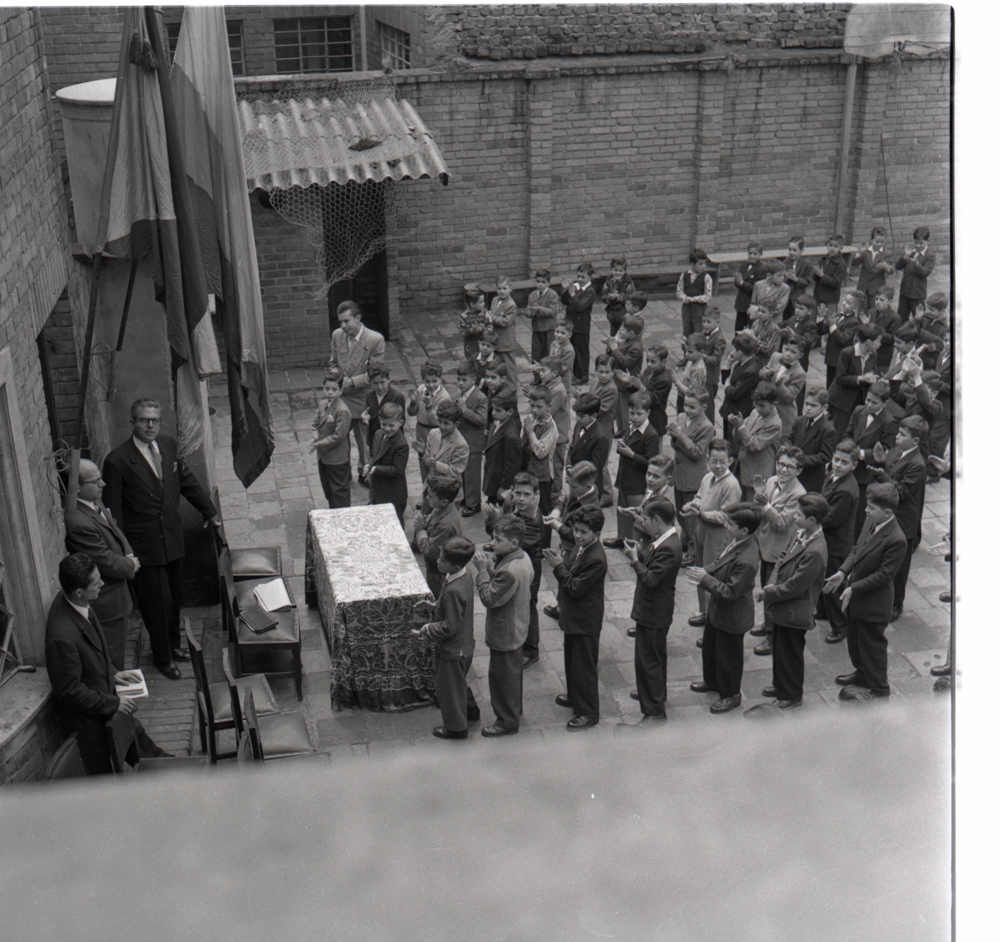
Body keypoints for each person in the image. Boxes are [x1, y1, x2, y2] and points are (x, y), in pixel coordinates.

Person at [102, 398, 217, 680]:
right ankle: (163, 658)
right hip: (144, 546)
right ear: (133, 423)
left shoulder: (167, 446)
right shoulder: (118, 461)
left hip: (173, 538)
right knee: (157, 604)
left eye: (155, 420)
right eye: (143, 420)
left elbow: (186, 480)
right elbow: (114, 513)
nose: (150, 425)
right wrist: (124, 552)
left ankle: (174, 645)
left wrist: (208, 510)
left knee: (175, 598)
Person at [45, 554, 170, 774]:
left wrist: (111, 672)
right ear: (79, 592)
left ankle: (172, 770)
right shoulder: (61, 638)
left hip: (105, 710)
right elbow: (70, 692)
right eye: (97, 583)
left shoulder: (77, 601)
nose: (102, 584)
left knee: (138, 737)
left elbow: (91, 652)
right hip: (91, 731)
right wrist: (113, 704)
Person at [823, 483, 908, 699]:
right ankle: (862, 674)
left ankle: (879, 690)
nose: (865, 511)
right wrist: (843, 572)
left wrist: (853, 588)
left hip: (873, 603)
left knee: (872, 647)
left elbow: (884, 576)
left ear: (887, 512)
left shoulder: (896, 539)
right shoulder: (872, 522)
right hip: (858, 599)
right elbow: (856, 549)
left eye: (871, 507)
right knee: (855, 642)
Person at [748, 493, 829, 712]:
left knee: (790, 652)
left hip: (795, 609)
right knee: (780, 647)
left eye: (799, 514)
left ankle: (791, 694)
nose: (794, 516)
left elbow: (796, 586)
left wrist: (770, 592)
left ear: (812, 520)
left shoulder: (816, 551)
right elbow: (782, 558)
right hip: (784, 604)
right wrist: (771, 583)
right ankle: (780, 684)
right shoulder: (801, 532)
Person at [63, 458, 140, 670]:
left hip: (118, 598)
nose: (103, 484)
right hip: (107, 605)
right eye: (96, 481)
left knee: (119, 654)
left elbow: (116, 534)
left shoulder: (95, 503)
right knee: (112, 661)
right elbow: (104, 561)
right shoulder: (78, 523)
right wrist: (130, 566)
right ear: (77, 487)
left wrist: (129, 556)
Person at [687, 503, 762, 714]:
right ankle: (712, 681)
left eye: (729, 524)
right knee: (711, 648)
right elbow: (720, 563)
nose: (725, 526)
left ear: (744, 530)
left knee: (728, 657)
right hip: (719, 610)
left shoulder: (747, 558)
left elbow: (730, 592)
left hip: (733, 615)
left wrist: (705, 579)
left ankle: (731, 694)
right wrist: (704, 570)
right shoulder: (737, 542)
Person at [543, 505, 608, 730]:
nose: (577, 535)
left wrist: (559, 567)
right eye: (576, 530)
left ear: (596, 535)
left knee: (584, 666)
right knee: (572, 661)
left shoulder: (596, 558)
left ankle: (588, 711)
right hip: (575, 617)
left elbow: (574, 587)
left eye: (582, 532)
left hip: (585, 620)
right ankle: (574, 695)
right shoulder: (583, 548)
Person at [411, 536, 480, 740]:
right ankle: (471, 711)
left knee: (449, 689)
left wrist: (428, 628)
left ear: (455, 564)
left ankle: (456, 728)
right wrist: (434, 606)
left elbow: (451, 626)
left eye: (442, 559)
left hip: (452, 650)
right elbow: (457, 608)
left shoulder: (453, 589)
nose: (438, 561)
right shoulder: (463, 576)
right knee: (458, 682)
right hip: (465, 645)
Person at [474, 514, 535, 736]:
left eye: (498, 540)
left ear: (514, 543)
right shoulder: (522, 558)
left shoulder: (509, 571)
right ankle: (514, 710)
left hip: (505, 631)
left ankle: (506, 720)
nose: (493, 543)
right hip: (518, 626)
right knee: (512, 674)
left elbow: (489, 598)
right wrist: (493, 570)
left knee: (501, 677)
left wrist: (482, 571)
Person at [624, 499, 682, 721]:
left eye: (646, 520)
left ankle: (654, 712)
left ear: (657, 520)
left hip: (654, 612)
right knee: (655, 656)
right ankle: (656, 694)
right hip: (655, 610)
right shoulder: (664, 539)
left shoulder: (668, 548)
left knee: (647, 660)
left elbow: (650, 580)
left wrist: (634, 560)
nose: (643, 524)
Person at [748, 444, 807, 656]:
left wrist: (764, 505)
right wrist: (759, 497)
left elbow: (781, 523)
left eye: (790, 467)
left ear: (798, 470)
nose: (783, 470)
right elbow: (761, 506)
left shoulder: (798, 494)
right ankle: (767, 625)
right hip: (765, 545)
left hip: (780, 549)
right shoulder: (772, 481)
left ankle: (772, 637)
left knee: (772, 590)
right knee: (765, 585)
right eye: (780, 464)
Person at [868, 415, 928, 622]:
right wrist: (880, 464)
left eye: (902, 435)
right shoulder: (896, 451)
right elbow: (889, 470)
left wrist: (882, 476)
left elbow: (902, 492)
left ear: (916, 441)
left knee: (900, 566)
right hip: (890, 515)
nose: (896, 437)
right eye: (898, 433)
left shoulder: (918, 464)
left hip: (903, 519)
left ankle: (896, 603)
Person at [484, 472, 545, 670]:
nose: (520, 498)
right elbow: (499, 531)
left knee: (528, 603)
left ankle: (531, 649)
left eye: (526, 494)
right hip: (509, 561)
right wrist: (495, 521)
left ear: (536, 495)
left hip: (528, 566)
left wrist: (499, 519)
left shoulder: (535, 519)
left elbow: (520, 541)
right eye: (517, 493)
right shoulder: (512, 507)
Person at [681, 438, 743, 631]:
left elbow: (726, 516)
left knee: (710, 574)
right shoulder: (708, 477)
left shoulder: (731, 485)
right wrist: (693, 504)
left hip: (717, 533)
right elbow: (700, 495)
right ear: (707, 460)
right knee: (699, 569)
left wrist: (700, 513)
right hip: (701, 529)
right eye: (713, 461)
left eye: (721, 462)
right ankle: (704, 612)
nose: (717, 465)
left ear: (730, 461)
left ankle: (713, 622)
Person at [327, 300, 386, 478]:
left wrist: (352, 382)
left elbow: (375, 373)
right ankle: (342, 470)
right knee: (340, 437)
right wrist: (336, 376)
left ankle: (364, 471)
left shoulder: (375, 340)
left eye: (347, 321)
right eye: (340, 322)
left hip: (362, 398)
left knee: (363, 441)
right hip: (342, 398)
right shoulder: (337, 336)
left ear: (358, 318)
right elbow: (333, 363)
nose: (343, 326)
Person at [814, 439, 860, 644]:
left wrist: (812, 516)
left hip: (836, 543)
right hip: (829, 540)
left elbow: (832, 518)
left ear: (854, 465)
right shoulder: (834, 476)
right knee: (824, 576)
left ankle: (841, 625)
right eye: (836, 459)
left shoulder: (846, 489)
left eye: (844, 462)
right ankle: (824, 611)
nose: (838, 464)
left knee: (835, 585)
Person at [603, 390, 661, 549]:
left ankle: (638, 544)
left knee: (637, 515)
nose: (634, 417)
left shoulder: (651, 435)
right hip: (625, 478)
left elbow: (651, 462)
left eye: (639, 414)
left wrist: (631, 454)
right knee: (621, 511)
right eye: (631, 413)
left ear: (648, 413)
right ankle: (622, 537)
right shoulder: (630, 427)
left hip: (637, 483)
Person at [667, 389, 714, 562]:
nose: (687, 409)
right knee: (680, 513)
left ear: (704, 407)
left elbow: (697, 452)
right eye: (685, 405)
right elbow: (674, 444)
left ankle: (694, 552)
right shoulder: (681, 418)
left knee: (692, 517)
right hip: (680, 473)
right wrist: (674, 437)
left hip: (693, 478)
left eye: (692, 407)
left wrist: (680, 435)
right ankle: (685, 542)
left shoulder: (707, 427)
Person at [846, 380, 898, 537]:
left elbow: (884, 450)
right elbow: (848, 433)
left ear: (885, 402)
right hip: (850, 467)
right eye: (867, 400)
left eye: (874, 402)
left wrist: (861, 454)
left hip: (866, 475)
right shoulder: (858, 411)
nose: (868, 405)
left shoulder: (889, 422)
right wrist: (848, 448)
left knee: (859, 515)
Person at [827, 321, 882, 439]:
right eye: (878, 341)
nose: (880, 344)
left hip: (860, 400)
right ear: (868, 342)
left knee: (855, 432)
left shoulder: (873, 355)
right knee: (840, 433)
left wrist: (874, 378)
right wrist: (861, 378)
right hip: (843, 401)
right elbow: (840, 378)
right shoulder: (847, 353)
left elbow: (873, 371)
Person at [730, 381, 783, 501]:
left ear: (773, 404)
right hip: (744, 470)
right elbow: (742, 434)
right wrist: (737, 425)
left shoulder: (775, 424)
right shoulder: (755, 413)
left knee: (753, 509)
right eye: (756, 404)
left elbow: (754, 445)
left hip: (759, 475)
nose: (758, 408)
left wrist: (740, 427)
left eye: (762, 405)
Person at [414, 474, 464, 599]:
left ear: (444, 501)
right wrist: (425, 524)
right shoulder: (440, 509)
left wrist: (420, 531)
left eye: (431, 496)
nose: (426, 497)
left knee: (437, 598)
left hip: (438, 572)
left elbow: (429, 550)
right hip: (437, 567)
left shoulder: (445, 524)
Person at [310, 370, 353, 509]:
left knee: (339, 492)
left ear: (340, 391)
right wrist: (315, 435)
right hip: (323, 458)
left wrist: (318, 444)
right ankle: (333, 513)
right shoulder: (323, 404)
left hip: (337, 460)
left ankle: (343, 517)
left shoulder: (342, 411)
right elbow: (316, 423)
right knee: (328, 489)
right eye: (327, 388)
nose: (329, 392)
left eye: (334, 389)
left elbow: (338, 437)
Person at [364, 401, 409, 527]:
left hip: (393, 494)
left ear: (401, 423)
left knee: (394, 525)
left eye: (391, 425)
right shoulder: (378, 434)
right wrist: (369, 464)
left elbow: (397, 470)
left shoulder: (401, 444)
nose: (387, 429)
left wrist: (376, 469)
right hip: (378, 490)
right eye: (384, 424)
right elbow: (374, 454)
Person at [416, 401, 469, 502]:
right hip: (431, 489)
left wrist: (436, 465)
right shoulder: (433, 433)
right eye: (439, 421)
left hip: (448, 494)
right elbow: (428, 460)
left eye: (446, 423)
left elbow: (455, 471)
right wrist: (423, 453)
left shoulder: (461, 444)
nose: (441, 426)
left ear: (456, 424)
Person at [454, 361, 488, 517]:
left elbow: (482, 420)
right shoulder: (459, 394)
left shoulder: (481, 398)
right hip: (461, 439)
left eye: (464, 380)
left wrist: (465, 411)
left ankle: (474, 503)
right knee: (461, 471)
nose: (460, 383)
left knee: (472, 474)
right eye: (459, 379)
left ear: (473, 380)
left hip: (473, 442)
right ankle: (464, 498)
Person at [789, 387, 838, 494]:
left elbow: (825, 456)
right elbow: (790, 439)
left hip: (811, 477)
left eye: (813, 405)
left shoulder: (828, 429)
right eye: (806, 403)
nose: (808, 408)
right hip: (793, 473)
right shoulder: (799, 421)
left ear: (824, 407)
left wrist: (801, 460)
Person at [759, 334, 807, 438]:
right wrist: (768, 373)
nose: (788, 354)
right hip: (767, 409)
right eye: (786, 349)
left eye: (793, 352)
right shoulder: (776, 356)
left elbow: (789, 397)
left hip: (783, 415)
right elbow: (762, 373)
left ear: (800, 355)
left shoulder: (800, 373)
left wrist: (780, 384)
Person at [521, 385, 559, 515]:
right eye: (532, 405)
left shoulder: (551, 427)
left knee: (543, 509)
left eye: (539, 407)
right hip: (530, 470)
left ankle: (545, 534)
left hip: (543, 475)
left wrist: (530, 433)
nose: (534, 410)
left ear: (549, 407)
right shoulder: (533, 419)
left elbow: (541, 452)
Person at [567, 394, 611, 505]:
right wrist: (568, 465)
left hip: (587, 488)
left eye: (581, 416)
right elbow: (572, 447)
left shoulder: (601, 437)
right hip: (575, 482)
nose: (577, 418)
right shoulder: (579, 425)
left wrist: (575, 474)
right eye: (577, 414)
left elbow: (594, 467)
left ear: (593, 416)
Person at [608, 313, 645, 437]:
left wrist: (614, 349)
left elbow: (626, 361)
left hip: (628, 382)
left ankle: (626, 432)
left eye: (623, 330)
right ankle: (620, 428)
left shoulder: (636, 347)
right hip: (619, 380)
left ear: (631, 333)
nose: (621, 331)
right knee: (618, 407)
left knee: (625, 410)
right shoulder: (629, 340)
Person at [720, 331, 761, 441]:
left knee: (732, 442)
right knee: (726, 440)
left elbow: (734, 393)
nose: (732, 353)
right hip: (729, 409)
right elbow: (725, 381)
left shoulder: (750, 370)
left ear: (740, 353)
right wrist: (728, 363)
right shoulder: (740, 363)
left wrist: (728, 385)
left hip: (737, 412)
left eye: (734, 350)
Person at [482, 392, 521, 507]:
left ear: (510, 412)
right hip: (493, 479)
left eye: (498, 410)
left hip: (498, 484)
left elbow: (512, 465)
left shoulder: (511, 435)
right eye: (493, 409)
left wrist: (504, 487)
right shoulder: (498, 423)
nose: (493, 413)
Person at [561, 262, 597, 386]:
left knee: (581, 351)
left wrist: (572, 294)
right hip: (571, 323)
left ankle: (583, 375)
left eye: (583, 277)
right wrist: (566, 290)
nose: (580, 280)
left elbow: (581, 307)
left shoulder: (590, 292)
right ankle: (575, 373)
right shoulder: (574, 286)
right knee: (573, 349)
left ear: (590, 277)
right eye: (578, 276)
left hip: (582, 326)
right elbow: (564, 301)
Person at [817, 291, 862, 387]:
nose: (844, 303)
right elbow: (822, 331)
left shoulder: (854, 322)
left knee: (836, 385)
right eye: (845, 300)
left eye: (848, 302)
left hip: (840, 360)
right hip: (831, 358)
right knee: (829, 385)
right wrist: (821, 317)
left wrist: (833, 326)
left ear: (855, 308)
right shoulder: (838, 316)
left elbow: (843, 339)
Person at [407, 359, 451, 455]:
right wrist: (413, 402)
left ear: (441, 378)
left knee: (433, 459)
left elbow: (437, 422)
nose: (431, 385)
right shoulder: (421, 389)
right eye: (427, 381)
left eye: (434, 381)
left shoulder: (444, 398)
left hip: (435, 432)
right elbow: (411, 413)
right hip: (421, 429)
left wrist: (429, 405)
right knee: (422, 458)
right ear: (422, 380)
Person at [363, 362, 406, 456]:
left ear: (388, 380)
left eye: (382, 382)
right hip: (374, 439)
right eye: (375, 383)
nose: (379, 387)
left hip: (391, 439)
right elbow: (369, 413)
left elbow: (401, 421)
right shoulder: (369, 395)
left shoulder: (397, 397)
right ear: (370, 383)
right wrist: (367, 418)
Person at [895, 226, 935, 322]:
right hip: (905, 291)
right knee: (901, 318)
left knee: (919, 319)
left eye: (921, 243)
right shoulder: (910, 252)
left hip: (918, 294)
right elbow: (898, 266)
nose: (918, 246)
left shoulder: (930, 256)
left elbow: (925, 272)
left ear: (927, 242)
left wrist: (916, 264)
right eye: (915, 243)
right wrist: (905, 257)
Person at [853, 225, 894, 310]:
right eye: (877, 241)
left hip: (877, 289)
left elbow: (891, 270)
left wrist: (886, 266)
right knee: (862, 310)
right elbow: (854, 263)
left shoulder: (886, 254)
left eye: (882, 242)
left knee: (874, 311)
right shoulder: (865, 251)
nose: (879, 244)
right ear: (871, 240)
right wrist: (859, 254)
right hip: (863, 287)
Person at [525, 269, 562, 363]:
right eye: (538, 282)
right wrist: (530, 313)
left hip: (548, 328)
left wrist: (539, 309)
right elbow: (528, 310)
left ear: (548, 283)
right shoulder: (532, 295)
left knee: (548, 352)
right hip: (537, 328)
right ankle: (537, 376)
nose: (540, 284)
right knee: (536, 352)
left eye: (543, 282)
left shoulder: (553, 295)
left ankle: (548, 374)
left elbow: (553, 311)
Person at [700, 306, 728, 426]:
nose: (705, 325)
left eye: (708, 322)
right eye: (704, 321)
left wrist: (703, 356)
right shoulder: (704, 333)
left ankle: (710, 429)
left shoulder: (719, 339)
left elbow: (716, 359)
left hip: (710, 378)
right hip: (701, 374)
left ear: (717, 322)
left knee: (708, 406)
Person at [732, 240, 767, 334]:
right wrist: (736, 280)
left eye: (755, 254)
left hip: (751, 304)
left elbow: (756, 288)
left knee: (751, 329)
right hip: (741, 303)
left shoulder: (761, 269)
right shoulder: (744, 265)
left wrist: (742, 282)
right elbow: (739, 284)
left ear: (761, 254)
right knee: (738, 329)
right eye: (750, 253)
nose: (752, 256)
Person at [490, 276, 520, 381]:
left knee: (509, 366)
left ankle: (513, 386)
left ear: (510, 289)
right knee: (497, 364)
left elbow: (505, 321)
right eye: (499, 288)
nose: (501, 291)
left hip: (506, 341)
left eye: (504, 288)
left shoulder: (511, 305)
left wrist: (491, 317)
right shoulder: (494, 300)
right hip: (496, 338)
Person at [676, 248, 712, 335]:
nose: (703, 266)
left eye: (704, 263)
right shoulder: (684, 276)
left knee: (699, 330)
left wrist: (695, 299)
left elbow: (708, 295)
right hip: (687, 308)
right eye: (700, 264)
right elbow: (679, 291)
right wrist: (684, 298)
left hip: (700, 309)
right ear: (692, 264)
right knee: (687, 329)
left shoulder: (706, 277)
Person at [812, 233, 848, 310]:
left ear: (841, 248)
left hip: (830, 299)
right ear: (827, 245)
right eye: (830, 245)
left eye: (835, 246)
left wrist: (822, 275)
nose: (832, 248)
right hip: (818, 296)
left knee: (829, 321)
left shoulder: (841, 264)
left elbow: (836, 282)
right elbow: (815, 278)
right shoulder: (823, 259)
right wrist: (815, 274)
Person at [749, 260, 791, 326]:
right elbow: (753, 303)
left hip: (774, 322)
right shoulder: (758, 285)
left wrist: (762, 313)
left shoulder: (785, 288)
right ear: (769, 275)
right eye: (779, 276)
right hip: (758, 321)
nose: (782, 278)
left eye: (783, 275)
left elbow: (779, 308)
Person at [601, 256, 635, 335]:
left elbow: (631, 297)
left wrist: (619, 297)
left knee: (622, 333)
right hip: (612, 313)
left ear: (624, 271)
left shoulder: (628, 283)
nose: (618, 273)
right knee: (613, 333)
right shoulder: (608, 282)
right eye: (615, 270)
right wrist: (608, 297)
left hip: (624, 312)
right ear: (611, 270)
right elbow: (603, 294)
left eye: (620, 271)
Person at [781, 235, 813, 318]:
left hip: (798, 296)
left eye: (794, 250)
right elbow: (780, 279)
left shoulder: (807, 264)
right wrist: (786, 278)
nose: (791, 252)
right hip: (786, 297)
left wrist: (796, 279)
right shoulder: (785, 262)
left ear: (801, 250)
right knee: (785, 316)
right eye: (790, 249)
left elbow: (808, 281)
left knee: (796, 317)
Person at [458, 288, 489, 362]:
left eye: (483, 301)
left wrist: (484, 329)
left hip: (483, 344)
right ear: (472, 304)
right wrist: (470, 331)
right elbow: (462, 332)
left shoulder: (485, 313)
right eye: (481, 302)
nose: (484, 304)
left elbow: (490, 325)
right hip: (471, 345)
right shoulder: (464, 316)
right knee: (471, 362)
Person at [548, 318, 577, 387]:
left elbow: (563, 368)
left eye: (563, 333)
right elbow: (549, 359)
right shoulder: (554, 344)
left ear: (569, 335)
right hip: (552, 377)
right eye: (557, 331)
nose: (559, 335)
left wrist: (547, 370)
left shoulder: (568, 350)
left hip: (562, 382)